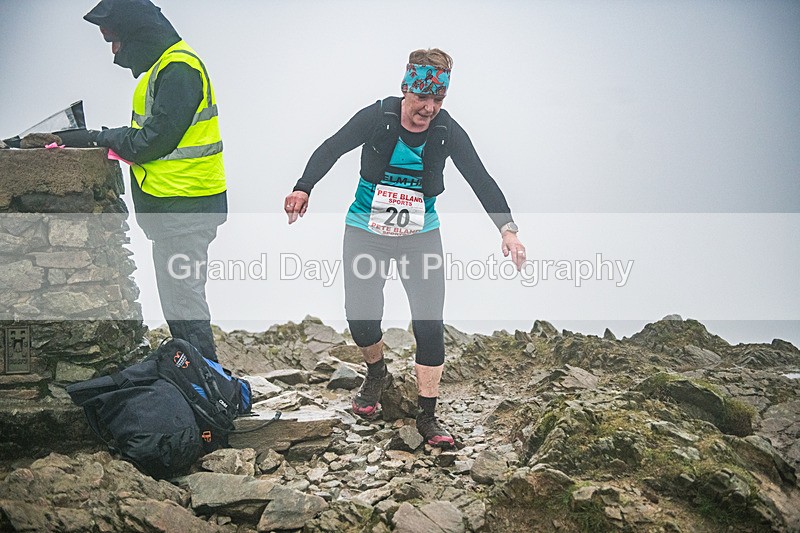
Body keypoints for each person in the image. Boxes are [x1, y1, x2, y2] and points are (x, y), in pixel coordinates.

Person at [284, 49, 526, 448]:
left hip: (420, 236)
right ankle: (377, 372)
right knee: (361, 318)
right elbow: (331, 147)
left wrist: (508, 230)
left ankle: (427, 415)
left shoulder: (447, 130)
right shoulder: (377, 116)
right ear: (406, 90)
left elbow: (481, 179)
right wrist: (303, 187)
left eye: (438, 100)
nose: (429, 108)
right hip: (366, 230)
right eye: (422, 98)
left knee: (429, 324)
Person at [78, 0, 227, 361]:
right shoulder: (165, 68)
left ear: (137, 33)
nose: (115, 51)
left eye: (116, 40)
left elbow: (152, 141)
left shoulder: (179, 70)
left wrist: (107, 137)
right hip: (177, 209)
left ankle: (211, 391)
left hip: (186, 208)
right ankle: (205, 387)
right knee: (180, 305)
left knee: (185, 304)